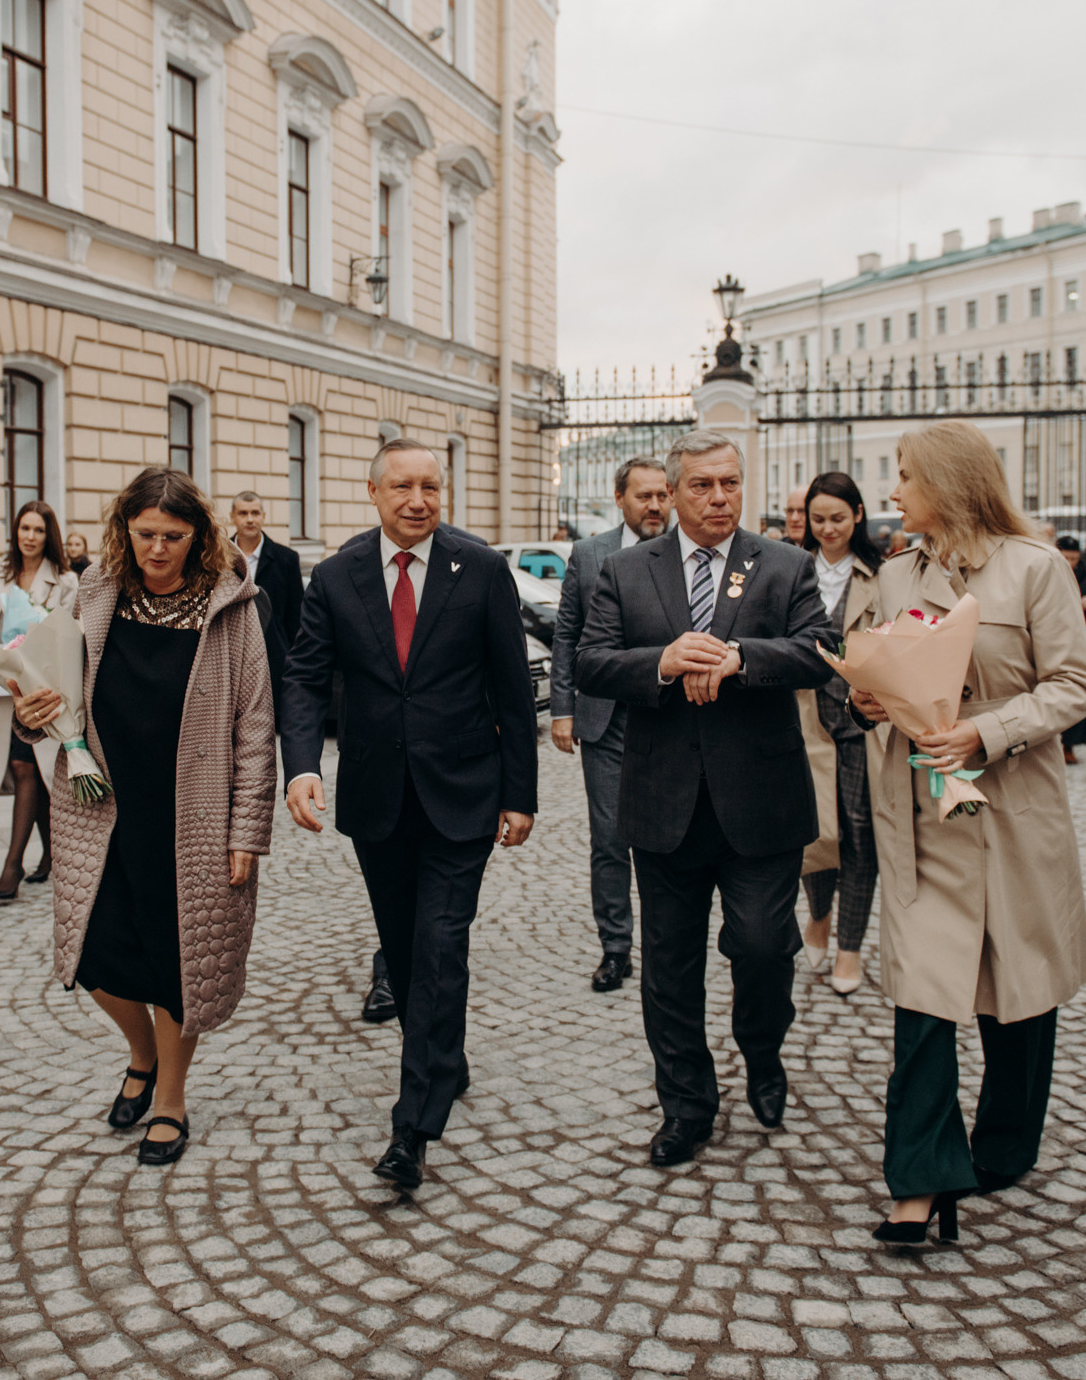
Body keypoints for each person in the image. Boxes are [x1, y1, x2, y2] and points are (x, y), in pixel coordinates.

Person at [847, 421, 1086, 1245]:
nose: (893, 494)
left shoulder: (1035, 572)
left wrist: (985, 733)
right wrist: (869, 702)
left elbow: (1076, 685)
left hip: (1008, 816)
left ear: (951, 484)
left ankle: (1006, 1144)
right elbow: (878, 676)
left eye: (906, 476)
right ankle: (918, 1181)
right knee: (921, 1000)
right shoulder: (892, 576)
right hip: (921, 821)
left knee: (1018, 992)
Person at [280, 439, 537, 1191]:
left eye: (430, 486)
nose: (417, 500)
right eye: (402, 487)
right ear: (373, 492)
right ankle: (444, 1062)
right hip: (376, 799)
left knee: (437, 950)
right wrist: (300, 766)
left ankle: (412, 1129)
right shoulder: (335, 576)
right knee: (402, 950)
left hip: (464, 794)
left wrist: (519, 794)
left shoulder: (481, 569)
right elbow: (303, 679)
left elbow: (512, 688)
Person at [574, 430, 835, 1169]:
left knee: (761, 945)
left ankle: (762, 1049)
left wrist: (740, 657)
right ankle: (687, 1104)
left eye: (729, 484)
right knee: (670, 966)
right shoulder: (626, 572)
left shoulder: (785, 565)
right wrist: (660, 661)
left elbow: (821, 649)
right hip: (664, 803)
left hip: (762, 801)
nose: (719, 498)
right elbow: (590, 662)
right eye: (702, 486)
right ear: (676, 491)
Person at [13, 467, 276, 1166]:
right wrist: (31, 715)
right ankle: (141, 1051)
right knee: (94, 958)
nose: (158, 548)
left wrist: (247, 832)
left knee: (177, 964)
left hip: (190, 817)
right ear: (124, 530)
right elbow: (48, 687)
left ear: (199, 536)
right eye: (145, 533)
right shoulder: (91, 592)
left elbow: (255, 727)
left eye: (174, 536)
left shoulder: (234, 608)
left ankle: (170, 1095)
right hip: (98, 809)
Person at [548, 454, 674, 993]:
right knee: (609, 839)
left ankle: (668, 944)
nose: (655, 505)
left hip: (669, 718)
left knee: (667, 839)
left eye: (662, 495)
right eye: (644, 495)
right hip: (604, 721)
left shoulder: (685, 553)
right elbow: (567, 634)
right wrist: (562, 708)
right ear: (620, 498)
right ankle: (616, 947)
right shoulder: (590, 553)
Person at [796, 471, 881, 995]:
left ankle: (849, 944)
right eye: (818, 518)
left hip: (862, 725)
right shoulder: (792, 567)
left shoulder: (882, 573)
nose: (828, 529)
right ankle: (819, 915)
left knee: (859, 833)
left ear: (858, 516)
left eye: (838, 518)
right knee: (815, 829)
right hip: (804, 721)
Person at [0, 499, 78, 898]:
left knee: (28, 768)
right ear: (15, 532)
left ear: (47, 535)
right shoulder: (0, 574)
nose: (30, 537)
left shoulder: (65, 581)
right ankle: (46, 855)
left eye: (38, 530)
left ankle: (12, 864)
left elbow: (66, 634)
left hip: (45, 686)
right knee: (24, 769)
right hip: (6, 684)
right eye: (24, 529)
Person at [228, 489, 303, 649]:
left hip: (274, 658)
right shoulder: (218, 557)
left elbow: (296, 617)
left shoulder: (287, 559)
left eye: (255, 513)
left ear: (263, 517)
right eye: (243, 513)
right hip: (230, 653)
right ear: (232, 517)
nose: (250, 519)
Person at [1056, 535, 1086, 764]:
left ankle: (1070, 744)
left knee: (1077, 687)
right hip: (1056, 634)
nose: (1071, 562)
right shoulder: (1050, 569)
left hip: (1080, 634)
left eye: (1074, 558)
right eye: (1067, 557)